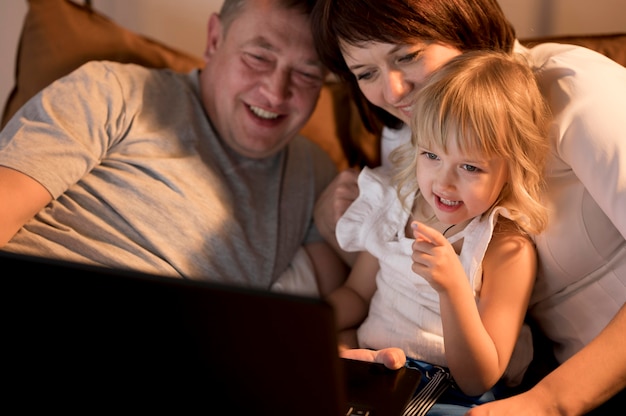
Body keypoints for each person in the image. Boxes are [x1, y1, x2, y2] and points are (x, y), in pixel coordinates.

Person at [310, 0, 626, 414]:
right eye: (366, 73)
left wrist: (551, 402)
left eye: (407, 55)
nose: (392, 92)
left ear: (463, 22)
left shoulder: (576, 87)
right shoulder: (411, 139)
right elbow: (388, 270)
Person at [0, 0, 347, 296]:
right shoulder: (111, 92)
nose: (275, 92)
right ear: (214, 40)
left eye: (307, 75)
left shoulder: (315, 173)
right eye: (258, 57)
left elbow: (331, 315)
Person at [328, 50, 550, 415]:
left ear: (511, 168)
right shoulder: (397, 207)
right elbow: (356, 293)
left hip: (445, 393)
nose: (443, 183)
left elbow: (478, 378)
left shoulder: (504, 248)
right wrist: (309, 331)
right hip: (370, 370)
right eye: (431, 155)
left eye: (469, 166)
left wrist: (453, 289)